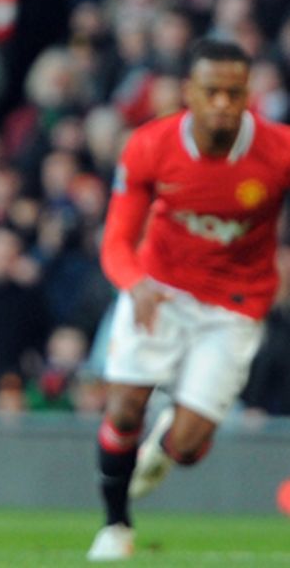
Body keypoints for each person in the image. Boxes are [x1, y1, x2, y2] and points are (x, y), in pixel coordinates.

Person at [87, 39, 290, 561]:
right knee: (124, 407)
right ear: (188, 94)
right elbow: (115, 240)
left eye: (234, 92)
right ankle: (115, 527)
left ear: (248, 95)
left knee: (190, 447)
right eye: (212, 91)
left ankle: (171, 443)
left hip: (235, 304)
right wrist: (133, 283)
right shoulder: (150, 147)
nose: (223, 102)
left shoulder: (278, 151)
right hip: (159, 289)